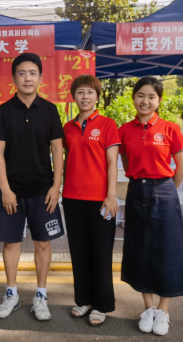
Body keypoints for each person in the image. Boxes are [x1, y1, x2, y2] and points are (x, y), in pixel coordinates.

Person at [0, 52, 65, 321]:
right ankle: (11, 293)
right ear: (13, 78)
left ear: (40, 78)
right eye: (21, 73)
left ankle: (41, 296)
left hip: (43, 191)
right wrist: (5, 189)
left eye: (32, 73)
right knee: (11, 243)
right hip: (12, 192)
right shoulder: (3, 111)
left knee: (43, 244)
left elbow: (57, 150)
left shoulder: (50, 110)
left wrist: (56, 186)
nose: (27, 78)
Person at [118, 76, 183, 336]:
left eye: (151, 96)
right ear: (133, 98)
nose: (145, 101)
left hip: (164, 190)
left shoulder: (170, 128)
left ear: (159, 100)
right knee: (140, 248)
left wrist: (167, 189)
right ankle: (148, 308)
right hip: (136, 191)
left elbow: (182, 167)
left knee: (166, 249)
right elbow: (127, 164)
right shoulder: (124, 130)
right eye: (140, 95)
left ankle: (163, 310)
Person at [62, 74, 121, 327]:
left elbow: (112, 163)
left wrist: (111, 196)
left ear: (97, 96)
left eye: (90, 92)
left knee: (101, 253)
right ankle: (84, 300)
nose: (85, 96)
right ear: (73, 96)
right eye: (80, 92)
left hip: (100, 200)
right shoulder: (68, 127)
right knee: (79, 252)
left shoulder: (108, 125)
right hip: (72, 198)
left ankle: (101, 304)